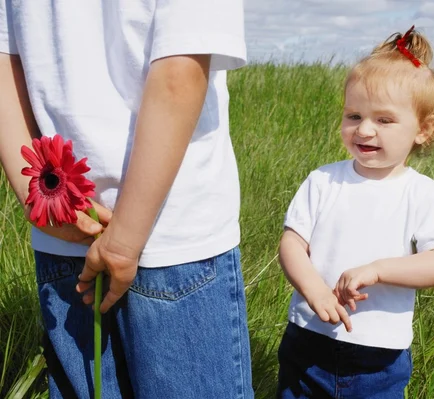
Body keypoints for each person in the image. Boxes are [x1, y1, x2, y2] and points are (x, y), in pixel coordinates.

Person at [0, 1, 253, 398]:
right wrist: (123, 242)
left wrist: (40, 201)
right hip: (170, 236)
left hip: (64, 233)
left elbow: (3, 66)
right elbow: (179, 72)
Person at [276, 26, 434, 398]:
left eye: (384, 120)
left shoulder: (425, 195)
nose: (365, 130)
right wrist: (315, 291)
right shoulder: (323, 180)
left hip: (379, 356)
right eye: (354, 116)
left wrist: (377, 269)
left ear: (423, 129)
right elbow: (291, 245)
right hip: (309, 338)